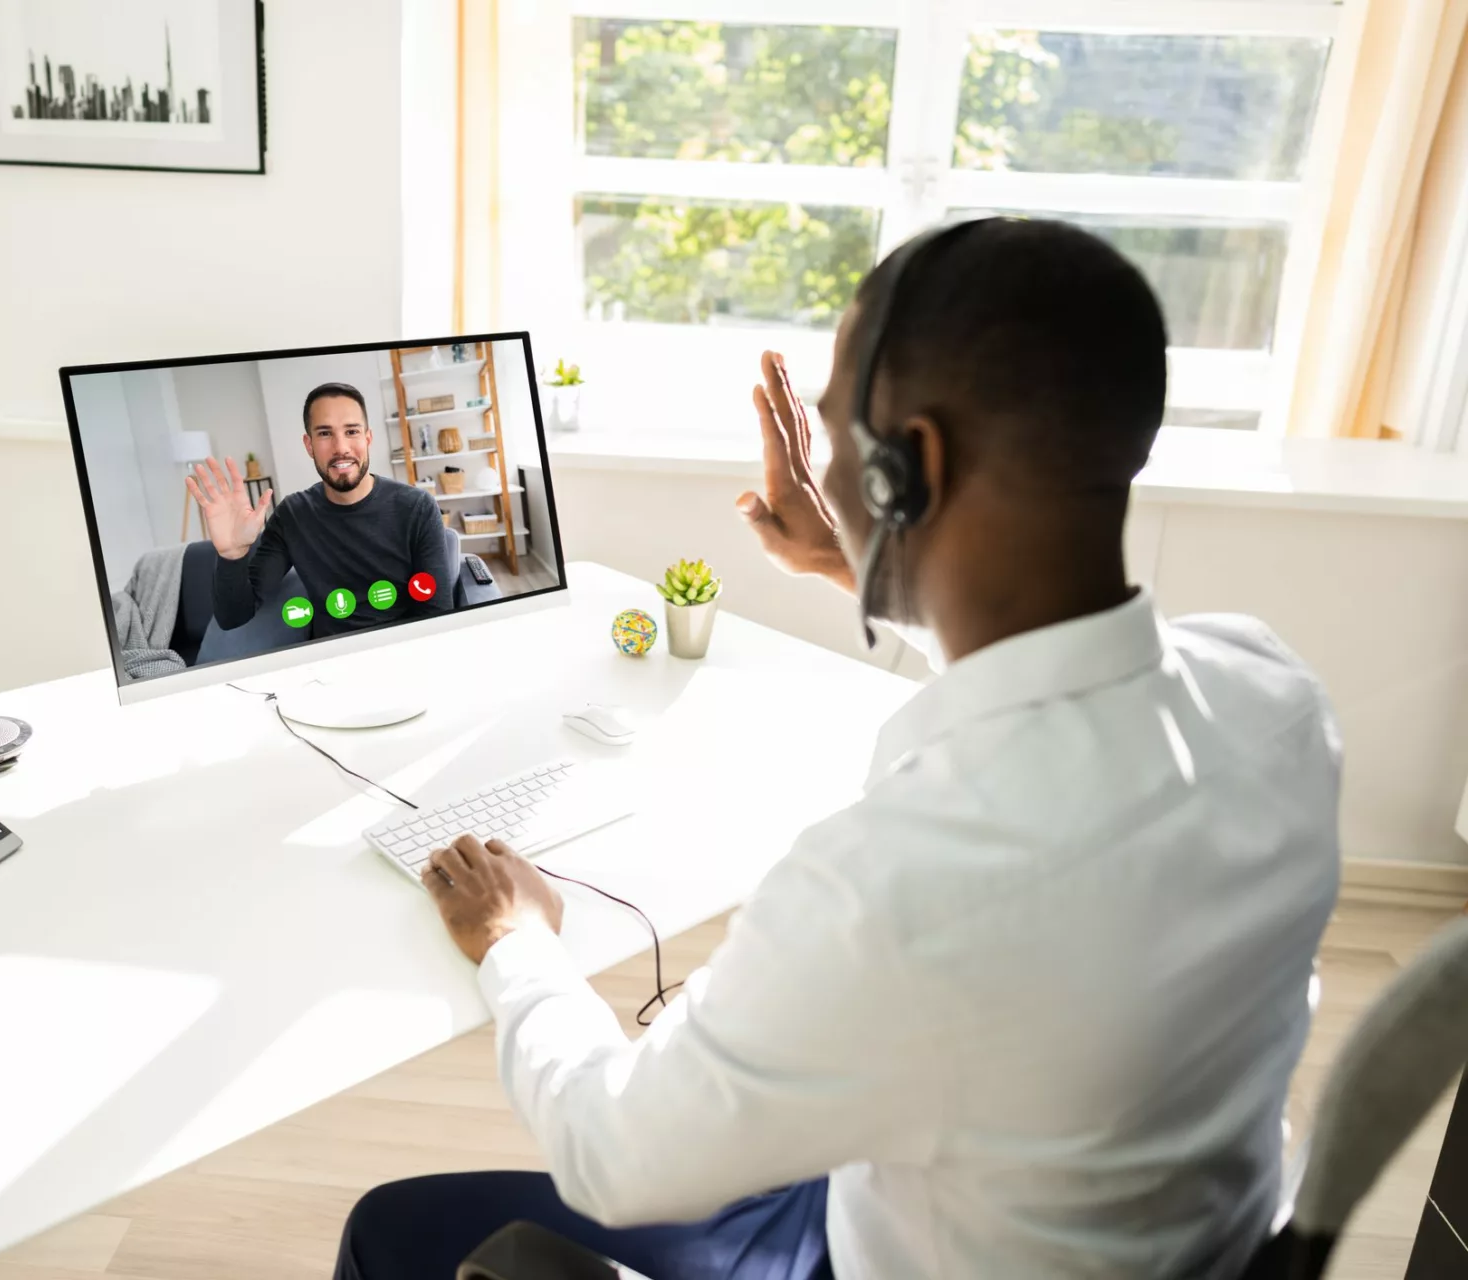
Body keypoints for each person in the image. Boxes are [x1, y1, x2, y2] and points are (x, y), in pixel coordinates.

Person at [334, 219, 1342, 1279]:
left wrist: (514, 936)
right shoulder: (1273, 696)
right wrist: (867, 557)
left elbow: (611, 1155)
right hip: (1138, 1233)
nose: (819, 443)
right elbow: (1059, 686)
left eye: (835, 424)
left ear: (916, 465)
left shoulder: (898, 886)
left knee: (390, 1230)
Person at [189, 381, 453, 637]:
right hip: (326, 663)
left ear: (368, 438)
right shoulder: (292, 515)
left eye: (352, 431)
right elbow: (234, 617)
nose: (341, 448)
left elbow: (437, 616)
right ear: (309, 445)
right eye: (325, 433)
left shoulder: (416, 507)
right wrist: (231, 554)